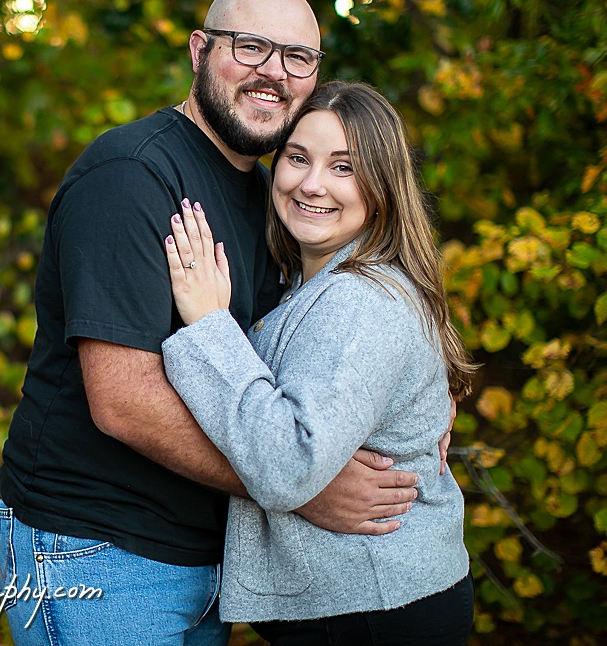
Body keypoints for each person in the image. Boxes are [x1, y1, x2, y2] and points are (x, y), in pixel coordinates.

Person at [0, 0, 435, 646]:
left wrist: (423, 399)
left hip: (209, 561)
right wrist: (302, 487)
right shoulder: (131, 175)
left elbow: (321, 339)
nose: (273, 72)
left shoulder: (276, 195)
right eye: (250, 46)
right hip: (99, 552)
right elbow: (123, 401)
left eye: (297, 57)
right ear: (200, 50)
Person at [160, 81, 475, 645]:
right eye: (298, 158)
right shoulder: (319, 284)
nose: (312, 184)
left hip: (375, 611)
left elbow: (290, 466)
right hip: (364, 602)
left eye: (343, 167)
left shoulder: (359, 299)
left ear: (383, 185)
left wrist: (209, 324)